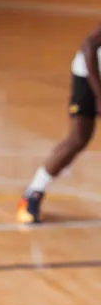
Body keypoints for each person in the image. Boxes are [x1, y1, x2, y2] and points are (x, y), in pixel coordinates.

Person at [17, 22, 101, 224]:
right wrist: (99, 95)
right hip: (90, 74)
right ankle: (33, 192)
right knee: (79, 137)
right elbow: (88, 46)